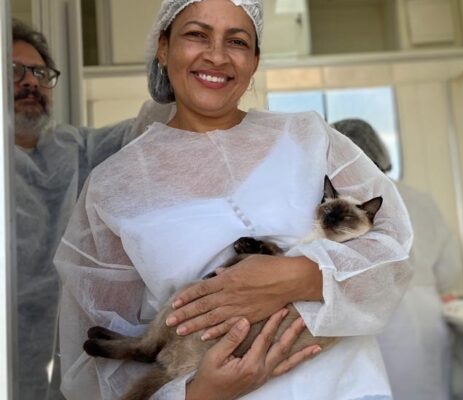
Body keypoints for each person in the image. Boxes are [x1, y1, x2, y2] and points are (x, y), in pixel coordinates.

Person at [53, 1, 413, 399]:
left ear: (255, 60)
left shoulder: (311, 137)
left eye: (237, 41)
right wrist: (199, 394)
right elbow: (96, 360)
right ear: (163, 46)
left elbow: (394, 258)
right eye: (196, 34)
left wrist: (299, 276)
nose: (217, 55)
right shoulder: (114, 187)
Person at [11, 18, 154, 400]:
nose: (31, 82)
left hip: (73, 355)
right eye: (14, 70)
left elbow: (148, 127)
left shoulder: (74, 149)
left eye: (40, 72)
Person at [332, 118, 463, 400]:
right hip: (426, 315)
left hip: (379, 320)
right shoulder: (420, 199)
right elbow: (450, 271)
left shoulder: (342, 206)